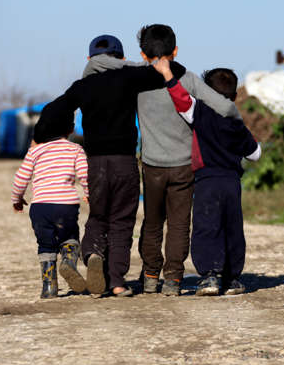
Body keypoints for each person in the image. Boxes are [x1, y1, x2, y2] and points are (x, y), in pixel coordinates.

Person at [34, 34, 186, 297]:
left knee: (98, 216)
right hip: (124, 162)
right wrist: (134, 67)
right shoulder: (129, 77)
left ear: (89, 59)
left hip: (95, 163)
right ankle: (116, 281)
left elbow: (53, 109)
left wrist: (38, 137)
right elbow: (175, 70)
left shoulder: (83, 85)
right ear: (121, 57)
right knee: (122, 221)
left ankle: (93, 253)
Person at [136, 24, 242, 296]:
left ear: (143, 54)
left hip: (151, 165)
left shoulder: (136, 81)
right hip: (184, 166)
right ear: (176, 50)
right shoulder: (189, 79)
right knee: (180, 225)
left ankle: (149, 276)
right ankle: (173, 279)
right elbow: (226, 107)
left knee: (152, 222)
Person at [153, 59, 261, 296]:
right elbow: (255, 153)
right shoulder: (235, 122)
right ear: (233, 96)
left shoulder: (199, 112)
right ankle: (233, 279)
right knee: (232, 228)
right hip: (232, 183)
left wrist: (167, 74)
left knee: (206, 227)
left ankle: (210, 276)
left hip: (206, 181)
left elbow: (181, 99)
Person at [12, 109, 88, 299]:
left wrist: (17, 199)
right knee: (69, 236)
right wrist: (89, 193)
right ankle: (68, 264)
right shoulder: (75, 149)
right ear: (71, 129)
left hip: (40, 208)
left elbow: (21, 178)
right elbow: (85, 175)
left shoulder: (35, 151)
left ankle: (49, 287)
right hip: (66, 206)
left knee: (45, 245)